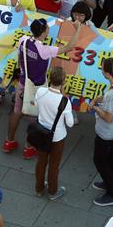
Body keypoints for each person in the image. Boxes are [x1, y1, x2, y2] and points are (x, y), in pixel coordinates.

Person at [2, 18, 81, 158]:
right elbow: (70, 47)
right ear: (44, 32)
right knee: (33, 118)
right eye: (47, 28)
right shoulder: (44, 50)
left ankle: (9, 141)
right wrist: (78, 28)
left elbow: (21, 58)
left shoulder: (23, 40)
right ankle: (29, 148)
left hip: (23, 83)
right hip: (37, 89)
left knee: (17, 111)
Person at [90, 56, 113, 207]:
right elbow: (106, 97)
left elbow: (108, 117)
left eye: (102, 67)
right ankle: (111, 181)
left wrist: (94, 107)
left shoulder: (112, 95)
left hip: (106, 133)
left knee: (99, 160)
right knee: (112, 157)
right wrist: (99, 100)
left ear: (106, 73)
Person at [34, 67, 74, 200]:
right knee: (54, 165)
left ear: (49, 78)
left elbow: (36, 105)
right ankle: (52, 191)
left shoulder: (40, 91)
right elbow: (70, 123)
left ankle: (39, 188)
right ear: (63, 81)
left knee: (41, 162)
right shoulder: (64, 101)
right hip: (57, 137)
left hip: (41, 133)